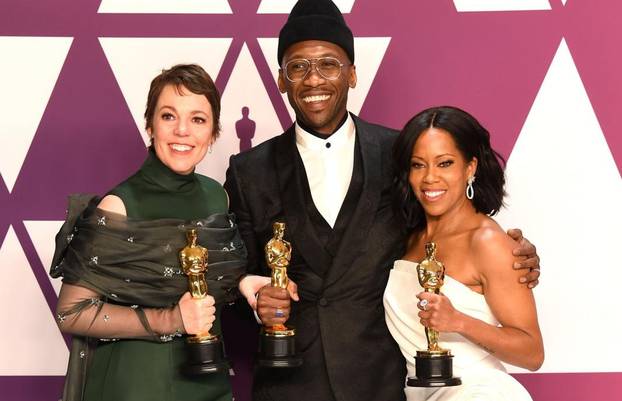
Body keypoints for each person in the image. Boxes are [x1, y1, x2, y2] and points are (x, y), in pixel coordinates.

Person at [224, 1, 541, 401]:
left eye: (329, 64)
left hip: (384, 384)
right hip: (289, 385)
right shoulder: (248, 170)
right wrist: (253, 296)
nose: (313, 79)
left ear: (352, 74)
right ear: (281, 80)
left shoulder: (401, 155)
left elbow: (450, 231)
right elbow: (230, 281)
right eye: (298, 67)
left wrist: (516, 256)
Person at [50, 64, 253, 401]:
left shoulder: (218, 195)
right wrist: (171, 319)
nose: (183, 131)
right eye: (169, 116)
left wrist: (248, 284)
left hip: (209, 382)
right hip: (136, 385)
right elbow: (70, 312)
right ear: (150, 125)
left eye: (198, 119)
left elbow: (213, 283)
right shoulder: (119, 205)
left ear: (213, 132)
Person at [384, 106, 544, 401]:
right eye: (419, 165)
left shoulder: (488, 241)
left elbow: (531, 352)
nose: (430, 177)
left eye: (444, 163)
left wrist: (458, 321)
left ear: (470, 168)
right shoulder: (409, 238)